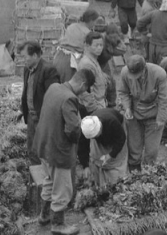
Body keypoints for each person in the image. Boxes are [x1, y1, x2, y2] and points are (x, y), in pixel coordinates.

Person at [34, 68, 95, 234]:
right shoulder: (70, 98)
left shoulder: (54, 87)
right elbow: (73, 128)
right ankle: (58, 224)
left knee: (49, 181)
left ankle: (44, 215)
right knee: (63, 187)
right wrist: (78, 136)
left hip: (44, 145)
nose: (84, 92)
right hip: (58, 150)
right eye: (85, 89)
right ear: (83, 84)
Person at [119, 54, 167, 170]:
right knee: (134, 148)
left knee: (151, 151)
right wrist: (127, 108)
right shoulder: (124, 72)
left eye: (138, 75)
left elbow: (164, 99)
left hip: (154, 115)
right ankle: (134, 174)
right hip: (134, 115)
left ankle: (148, 175)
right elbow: (123, 92)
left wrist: (161, 119)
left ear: (144, 69)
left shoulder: (159, 74)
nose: (135, 78)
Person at [19, 41, 60, 163]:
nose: (23, 60)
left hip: (44, 118)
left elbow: (54, 96)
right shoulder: (28, 69)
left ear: (35, 56)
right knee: (32, 150)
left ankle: (46, 176)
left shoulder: (48, 70)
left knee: (45, 151)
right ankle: (34, 177)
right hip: (32, 116)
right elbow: (26, 92)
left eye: (25, 57)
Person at [79, 110, 128, 190]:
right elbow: (82, 147)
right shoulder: (85, 129)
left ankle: (117, 184)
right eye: (93, 137)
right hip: (103, 135)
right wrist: (85, 166)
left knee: (117, 161)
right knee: (96, 160)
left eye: (96, 135)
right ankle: (101, 185)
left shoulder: (112, 122)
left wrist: (111, 155)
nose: (95, 137)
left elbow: (121, 139)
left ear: (100, 127)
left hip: (116, 134)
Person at [53, 8, 101, 81]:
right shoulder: (88, 33)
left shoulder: (72, 26)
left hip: (59, 57)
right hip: (71, 64)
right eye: (95, 21)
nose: (95, 24)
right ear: (91, 21)